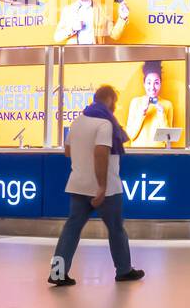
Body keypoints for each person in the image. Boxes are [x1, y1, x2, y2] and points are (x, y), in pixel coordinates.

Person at [48, 85, 143, 286]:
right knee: (116, 228)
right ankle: (124, 270)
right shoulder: (105, 124)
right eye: (115, 101)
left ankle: (57, 273)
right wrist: (101, 186)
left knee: (71, 229)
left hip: (78, 184)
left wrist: (82, 159)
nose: (116, 106)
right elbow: (100, 153)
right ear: (109, 99)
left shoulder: (78, 121)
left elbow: (67, 151)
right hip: (106, 189)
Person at [53, 0, 129, 45]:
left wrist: (123, 17)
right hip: (74, 55)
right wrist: (72, 28)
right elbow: (57, 37)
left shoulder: (104, 9)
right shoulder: (67, 10)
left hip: (96, 55)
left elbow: (115, 35)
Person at [125, 60, 175, 147]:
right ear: (144, 84)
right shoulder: (135, 102)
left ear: (160, 84)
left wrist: (161, 115)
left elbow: (168, 140)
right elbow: (130, 136)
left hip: (159, 155)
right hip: (137, 155)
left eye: (156, 83)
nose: (152, 87)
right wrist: (142, 113)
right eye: (148, 83)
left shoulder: (167, 105)